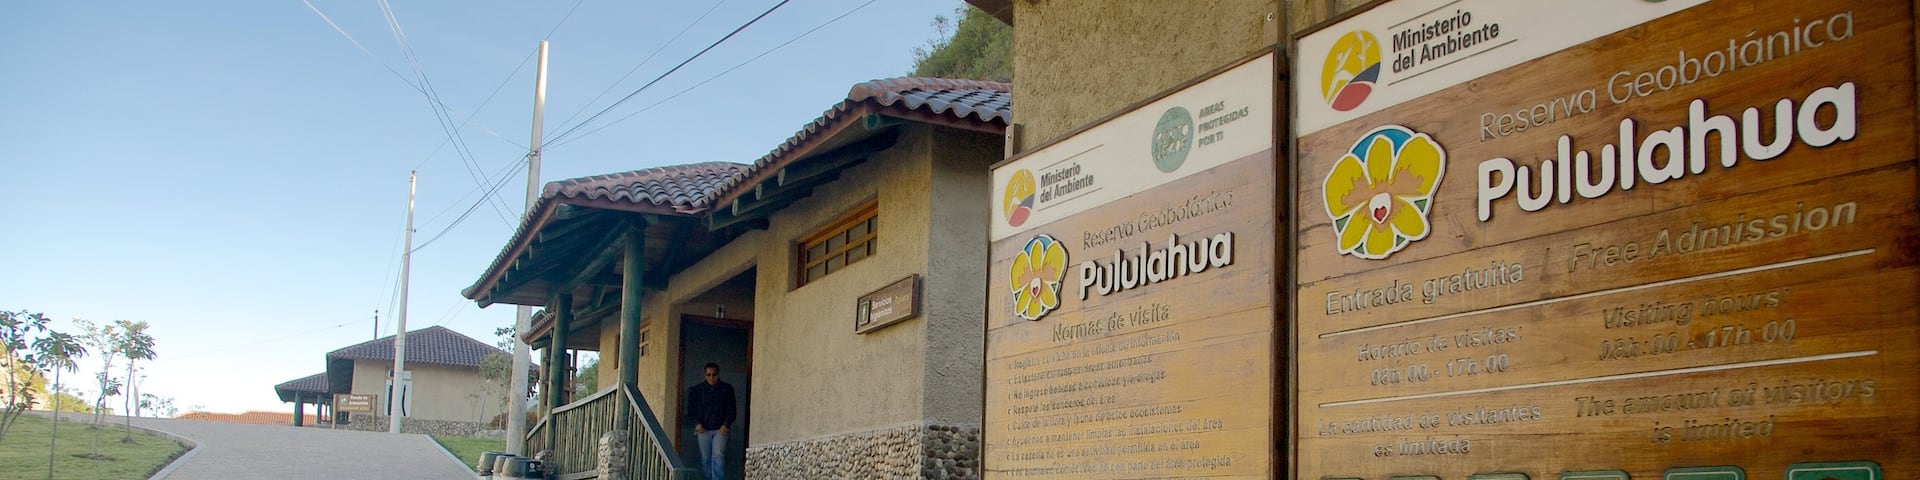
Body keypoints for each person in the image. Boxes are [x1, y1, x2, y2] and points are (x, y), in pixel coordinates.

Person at [686, 362, 736, 480]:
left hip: (720, 429)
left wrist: (726, 424)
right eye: (709, 375)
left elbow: (732, 409)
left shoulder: (727, 389)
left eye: (714, 375)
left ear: (718, 375)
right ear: (705, 375)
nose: (711, 378)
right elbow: (691, 409)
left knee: (718, 455)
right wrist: (697, 423)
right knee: (705, 458)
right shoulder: (697, 390)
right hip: (703, 429)